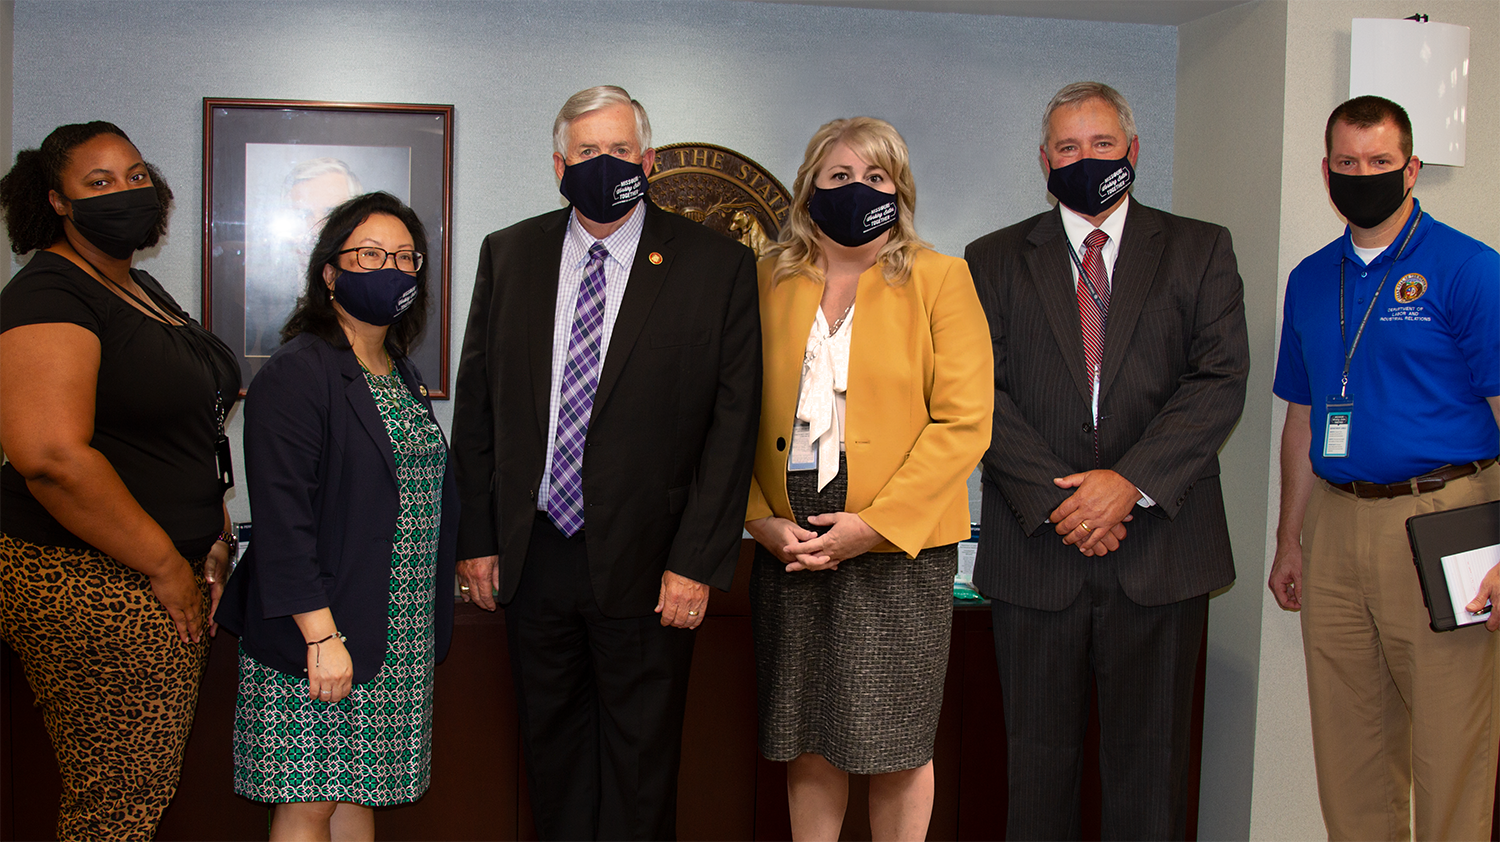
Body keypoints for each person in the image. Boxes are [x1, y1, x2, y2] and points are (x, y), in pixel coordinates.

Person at [450, 85, 761, 842]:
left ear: (647, 160)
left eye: (619, 150)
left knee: (640, 768)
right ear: (559, 165)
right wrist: (477, 537)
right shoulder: (510, 253)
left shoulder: (715, 265)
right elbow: (480, 404)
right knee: (551, 761)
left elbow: (733, 425)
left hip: (653, 568)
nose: (604, 163)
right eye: (587, 152)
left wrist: (697, 561)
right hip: (535, 555)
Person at [965, 81, 1248, 838]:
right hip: (1037, 554)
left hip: (1162, 552)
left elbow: (1219, 380)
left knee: (1152, 774)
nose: (1084, 159)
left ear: (1133, 152)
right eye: (1067, 147)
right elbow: (976, 393)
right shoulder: (990, 259)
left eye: (1100, 144)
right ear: (1043, 161)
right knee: (1034, 770)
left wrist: (1129, 485)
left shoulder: (1199, 248)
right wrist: (1067, 502)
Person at [744, 116, 992, 842]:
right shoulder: (765, 279)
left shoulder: (942, 278)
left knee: (897, 743)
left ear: (901, 190)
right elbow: (722, 411)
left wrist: (874, 527)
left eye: (877, 178)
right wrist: (757, 517)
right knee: (807, 732)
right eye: (841, 177)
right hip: (788, 536)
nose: (859, 190)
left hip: (897, 543)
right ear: (809, 189)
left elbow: (964, 421)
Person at [0, 121, 240, 840]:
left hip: (154, 569)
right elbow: (50, 455)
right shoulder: (49, 291)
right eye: (98, 183)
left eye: (136, 175)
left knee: (135, 794)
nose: (125, 192)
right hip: (88, 573)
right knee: (120, 804)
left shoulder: (136, 285)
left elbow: (183, 424)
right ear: (58, 202)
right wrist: (166, 565)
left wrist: (215, 534)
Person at [1269, 95, 1500, 841]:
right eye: (1346, 162)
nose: (1361, 174)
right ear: (1327, 169)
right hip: (1336, 521)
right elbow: (1304, 415)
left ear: (1412, 169)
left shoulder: (1470, 269)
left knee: (1449, 744)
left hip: (1445, 519)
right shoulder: (1310, 278)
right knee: (1350, 744)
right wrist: (1290, 537)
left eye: (1378, 162)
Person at [215, 191, 458, 841]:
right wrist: (321, 638)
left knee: (358, 794)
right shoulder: (298, 372)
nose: (391, 268)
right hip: (318, 633)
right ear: (330, 272)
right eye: (370, 254)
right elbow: (283, 518)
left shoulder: (397, 371)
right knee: (309, 801)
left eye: (406, 258)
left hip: (391, 630)